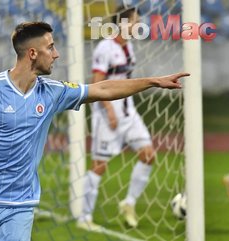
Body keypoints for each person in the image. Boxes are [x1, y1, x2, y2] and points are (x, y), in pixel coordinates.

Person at [0, 21, 189, 241]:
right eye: (50, 47)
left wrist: (151, 80)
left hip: (19, 208)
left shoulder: (53, 93)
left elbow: (103, 87)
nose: (56, 54)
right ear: (32, 53)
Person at [78, 7, 155, 230]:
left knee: (148, 155)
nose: (138, 25)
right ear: (123, 23)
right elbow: (96, 82)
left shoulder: (129, 46)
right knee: (99, 165)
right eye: (135, 21)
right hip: (107, 115)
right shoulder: (105, 47)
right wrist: (109, 110)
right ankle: (85, 218)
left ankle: (128, 203)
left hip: (129, 113)